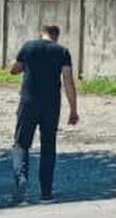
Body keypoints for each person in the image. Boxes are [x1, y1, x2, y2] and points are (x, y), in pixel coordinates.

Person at [10, 24, 79, 203]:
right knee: (48, 147)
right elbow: (68, 82)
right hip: (51, 106)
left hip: (28, 102)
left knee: (21, 143)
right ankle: (46, 192)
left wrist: (27, 65)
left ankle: (22, 179)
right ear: (56, 36)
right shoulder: (62, 52)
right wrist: (73, 110)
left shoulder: (29, 47)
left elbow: (14, 69)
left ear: (41, 33)